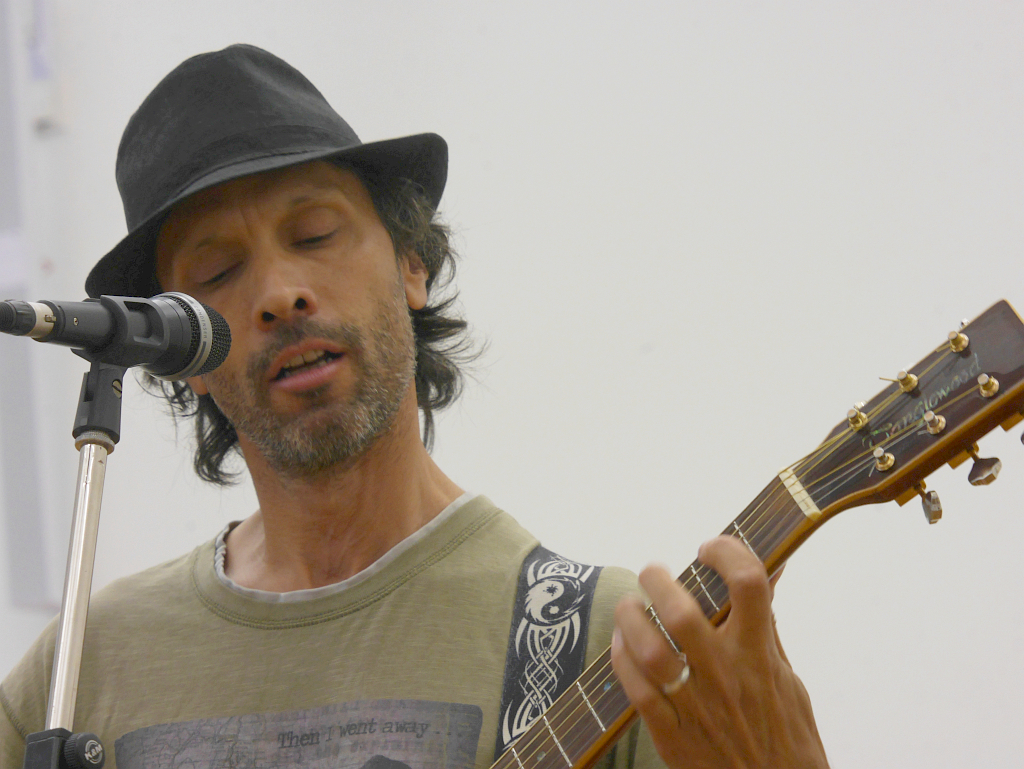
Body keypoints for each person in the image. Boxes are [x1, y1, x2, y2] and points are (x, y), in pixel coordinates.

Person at [0, 45, 828, 769]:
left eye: (315, 235)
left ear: (411, 265)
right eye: (218, 273)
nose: (281, 293)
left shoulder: (612, 648)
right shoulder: (79, 670)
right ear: (183, 358)